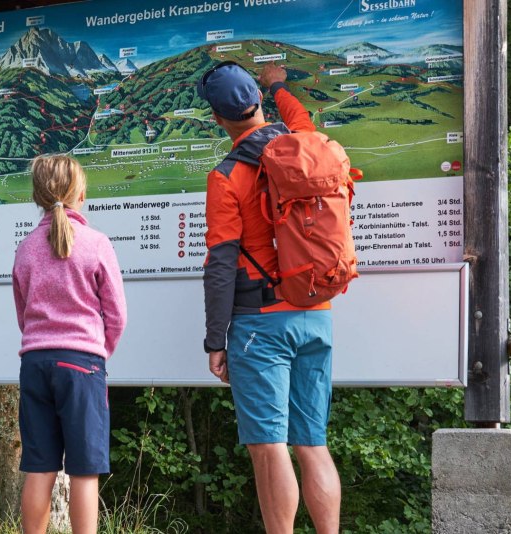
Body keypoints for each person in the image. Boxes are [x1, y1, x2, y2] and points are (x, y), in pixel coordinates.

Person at [197, 61, 342, 534]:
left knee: (269, 446)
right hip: (316, 311)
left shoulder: (226, 177)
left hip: (260, 322)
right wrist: (278, 86)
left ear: (219, 120)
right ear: (257, 103)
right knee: (312, 442)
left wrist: (215, 339)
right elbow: (299, 114)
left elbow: (221, 263)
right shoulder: (303, 143)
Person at [11, 154, 127, 534]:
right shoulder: (96, 243)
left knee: (39, 467)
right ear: (80, 194)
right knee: (84, 470)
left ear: (38, 195)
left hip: (35, 362)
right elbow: (117, 314)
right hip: (82, 363)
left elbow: (23, 311)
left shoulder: (26, 248)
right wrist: (99, 350)